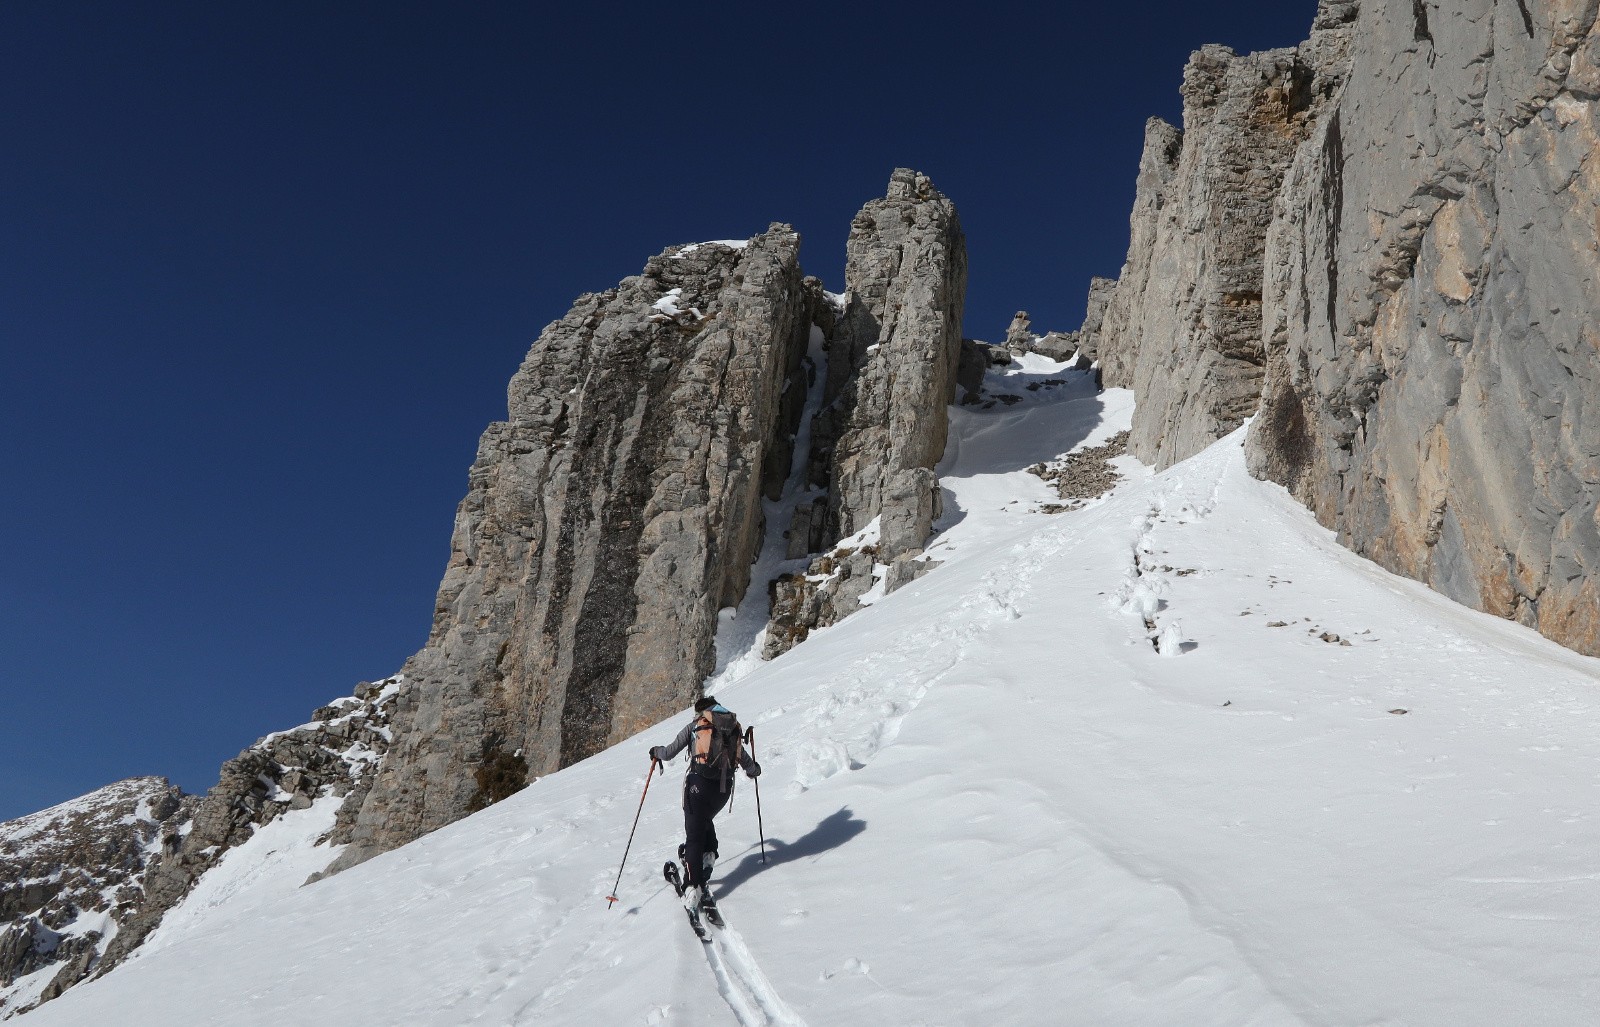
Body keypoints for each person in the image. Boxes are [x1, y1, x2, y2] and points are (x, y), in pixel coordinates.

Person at [649, 695, 760, 923]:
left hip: (698, 787)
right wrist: (754, 770)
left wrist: (655, 751)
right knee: (704, 819)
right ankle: (709, 855)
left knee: (693, 837)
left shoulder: (696, 726)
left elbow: (669, 752)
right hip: (723, 791)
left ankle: (692, 887)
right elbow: (748, 764)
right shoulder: (732, 728)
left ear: (700, 712)